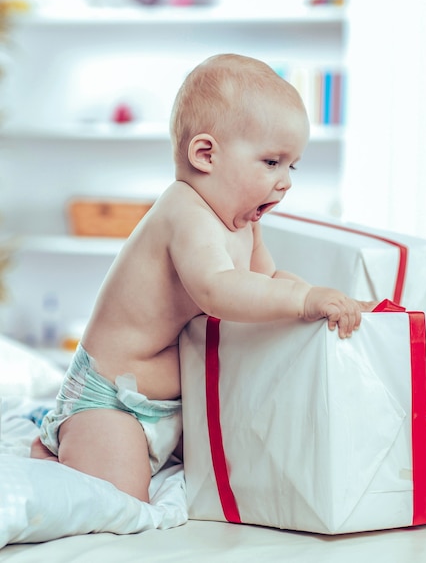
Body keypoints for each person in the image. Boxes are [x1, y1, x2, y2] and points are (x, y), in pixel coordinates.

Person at [30, 53, 375, 502]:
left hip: (171, 403)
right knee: (116, 500)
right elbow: (219, 291)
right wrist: (302, 301)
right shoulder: (183, 211)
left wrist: (324, 298)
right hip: (112, 398)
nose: (286, 182)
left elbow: (265, 278)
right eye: (272, 162)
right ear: (205, 154)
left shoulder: (243, 222)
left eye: (293, 166)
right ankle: (52, 454)